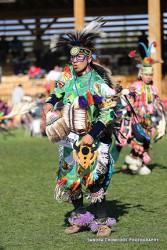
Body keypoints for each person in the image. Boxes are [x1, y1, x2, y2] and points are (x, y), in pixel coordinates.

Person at [43, 17, 122, 236]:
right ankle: (80, 217)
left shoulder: (97, 82)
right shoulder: (68, 75)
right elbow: (58, 91)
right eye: (72, 57)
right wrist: (50, 102)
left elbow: (108, 112)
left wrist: (92, 134)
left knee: (92, 180)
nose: (75, 60)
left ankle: (102, 222)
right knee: (70, 181)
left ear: (88, 58)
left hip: (91, 139)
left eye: (79, 57)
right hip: (69, 138)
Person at [116, 42, 166, 175]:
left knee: (147, 142)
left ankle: (137, 164)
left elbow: (156, 102)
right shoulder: (137, 85)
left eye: (150, 75)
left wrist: (161, 120)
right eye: (146, 75)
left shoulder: (154, 87)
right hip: (136, 119)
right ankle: (134, 160)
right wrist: (127, 92)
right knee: (139, 140)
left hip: (149, 120)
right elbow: (129, 95)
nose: (148, 77)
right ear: (141, 74)